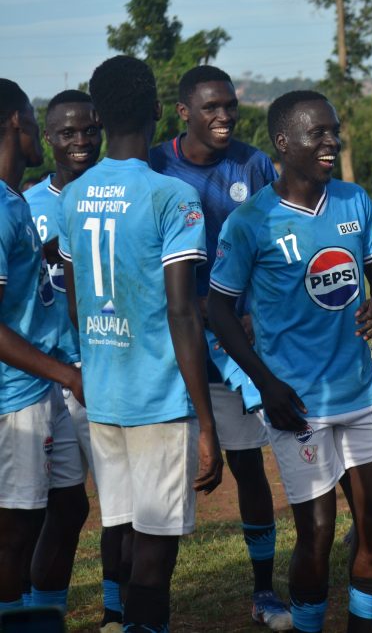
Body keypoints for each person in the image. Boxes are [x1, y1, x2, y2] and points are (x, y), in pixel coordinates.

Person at [209, 91, 372, 633]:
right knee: (316, 531)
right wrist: (265, 383)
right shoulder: (251, 221)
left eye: (333, 130)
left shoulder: (353, 200)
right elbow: (219, 309)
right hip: (295, 402)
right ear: (283, 142)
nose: (331, 141)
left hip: (359, 392)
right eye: (318, 133)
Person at [57, 55, 223, 633]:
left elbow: (76, 304)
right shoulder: (172, 195)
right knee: (156, 546)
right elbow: (182, 311)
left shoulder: (74, 195)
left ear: (99, 117)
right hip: (159, 399)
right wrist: (207, 421)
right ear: (157, 109)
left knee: (123, 527)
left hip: (104, 393)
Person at [148, 65, 290, 630]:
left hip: (235, 346)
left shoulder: (253, 165)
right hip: (172, 348)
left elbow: (275, 244)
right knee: (160, 480)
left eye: (230, 105)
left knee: (248, 467)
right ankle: (136, 604)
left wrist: (254, 311)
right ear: (184, 112)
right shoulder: (155, 166)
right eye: (211, 107)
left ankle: (263, 591)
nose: (225, 115)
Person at [24, 89, 128, 631]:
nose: (81, 141)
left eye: (90, 129)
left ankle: (114, 611)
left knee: (115, 501)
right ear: (48, 138)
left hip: (106, 368)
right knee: (53, 509)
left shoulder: (117, 194)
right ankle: (38, 612)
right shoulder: (26, 205)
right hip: (45, 377)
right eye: (67, 132)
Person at [0, 79, 88, 618]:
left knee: (70, 505)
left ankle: (43, 617)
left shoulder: (14, 199)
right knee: (15, 529)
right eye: (34, 121)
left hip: (40, 387)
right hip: (16, 396)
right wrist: (67, 374)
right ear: (17, 122)